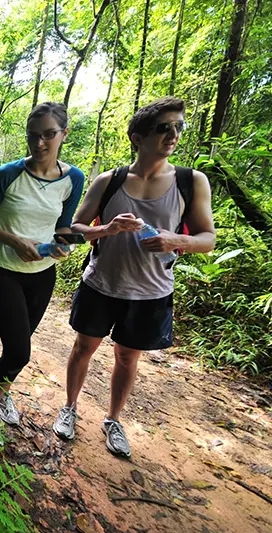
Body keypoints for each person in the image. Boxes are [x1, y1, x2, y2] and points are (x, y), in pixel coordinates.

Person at [52, 97, 216, 458]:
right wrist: (107, 229)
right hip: (101, 284)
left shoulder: (192, 182)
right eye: (163, 128)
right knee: (84, 348)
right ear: (136, 138)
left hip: (151, 292)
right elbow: (74, 227)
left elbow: (208, 239)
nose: (173, 134)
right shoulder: (109, 181)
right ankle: (70, 408)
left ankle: (113, 420)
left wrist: (177, 239)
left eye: (178, 127)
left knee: (128, 358)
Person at [0, 102, 85, 444]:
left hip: (42, 275)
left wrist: (65, 245)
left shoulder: (73, 179)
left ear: (63, 134)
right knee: (20, 351)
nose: (39, 144)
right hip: (4, 270)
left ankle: (2, 393)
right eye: (33, 136)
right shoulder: (8, 174)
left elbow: (63, 227)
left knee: (16, 346)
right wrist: (13, 240)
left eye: (49, 135)